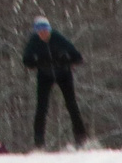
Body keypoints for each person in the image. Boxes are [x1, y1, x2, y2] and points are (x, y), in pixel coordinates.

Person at [23, 18, 86, 149]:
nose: (43, 34)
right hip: (45, 75)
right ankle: (39, 141)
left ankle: (81, 137)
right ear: (36, 32)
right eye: (39, 32)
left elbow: (77, 56)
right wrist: (37, 63)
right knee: (41, 107)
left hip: (63, 73)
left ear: (49, 30)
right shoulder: (34, 41)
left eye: (45, 31)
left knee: (71, 104)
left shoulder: (57, 38)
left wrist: (67, 60)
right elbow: (26, 60)